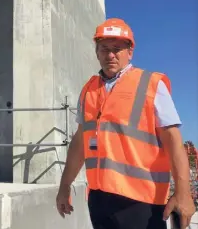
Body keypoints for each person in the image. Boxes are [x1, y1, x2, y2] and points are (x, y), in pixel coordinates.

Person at [56, 18, 195, 229]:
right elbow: (79, 143)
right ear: (97, 52)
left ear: (130, 52)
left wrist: (183, 193)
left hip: (141, 202)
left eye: (117, 49)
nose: (110, 55)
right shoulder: (88, 90)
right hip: (99, 199)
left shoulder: (151, 84)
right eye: (104, 49)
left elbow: (173, 141)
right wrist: (65, 185)